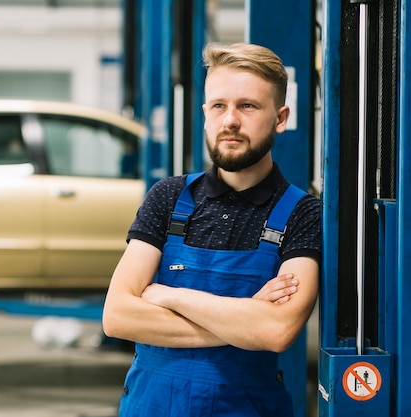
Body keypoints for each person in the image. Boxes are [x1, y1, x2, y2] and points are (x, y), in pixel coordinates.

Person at [102, 42, 321, 417]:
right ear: (205, 113)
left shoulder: (304, 213)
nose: (230, 120)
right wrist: (246, 320)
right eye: (219, 106)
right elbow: (118, 316)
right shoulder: (168, 197)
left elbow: (276, 332)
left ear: (281, 118)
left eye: (248, 106)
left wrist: (169, 296)